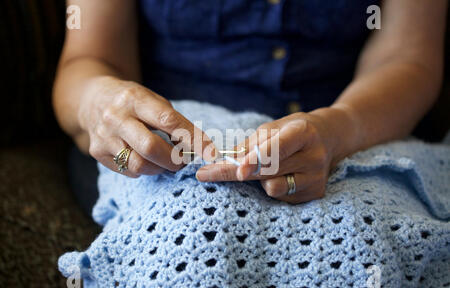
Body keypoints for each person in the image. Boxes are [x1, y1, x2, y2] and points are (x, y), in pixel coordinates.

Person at [53, 0, 448, 207]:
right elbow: (87, 58)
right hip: (166, 156)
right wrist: (98, 103)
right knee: (199, 233)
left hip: (355, 136)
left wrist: (338, 129)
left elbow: (407, 56)